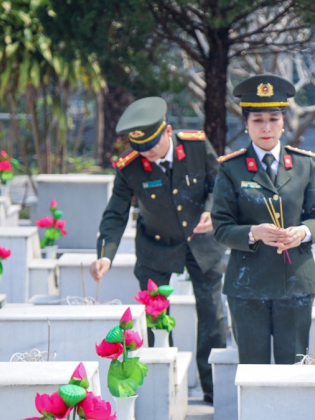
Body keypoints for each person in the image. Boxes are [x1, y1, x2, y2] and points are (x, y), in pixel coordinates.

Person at [91, 96, 226, 404]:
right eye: (140, 148)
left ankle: (213, 387)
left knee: (211, 313)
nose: (147, 153)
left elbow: (217, 183)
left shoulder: (196, 146)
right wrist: (105, 254)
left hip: (201, 242)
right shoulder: (129, 166)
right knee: (155, 318)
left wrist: (212, 210)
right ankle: (163, 389)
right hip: (156, 247)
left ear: (167, 131)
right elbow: (115, 213)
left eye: (152, 145)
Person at [211, 74, 315, 364]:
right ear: (246, 124)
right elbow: (221, 227)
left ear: (283, 121)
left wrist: (302, 232)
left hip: (296, 282)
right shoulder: (231, 168)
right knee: (253, 370)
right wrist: (254, 232)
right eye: (258, 120)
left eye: (274, 119)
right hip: (247, 284)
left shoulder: (303, 164)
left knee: (293, 368)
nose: (266, 127)